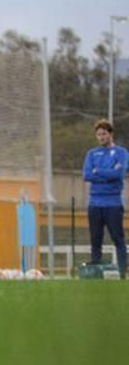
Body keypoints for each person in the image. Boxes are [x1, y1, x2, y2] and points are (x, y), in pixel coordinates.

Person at [82, 118, 128, 277]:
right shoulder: (92, 153)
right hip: (95, 203)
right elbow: (87, 175)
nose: (101, 137)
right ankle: (95, 269)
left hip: (113, 203)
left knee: (118, 239)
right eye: (98, 134)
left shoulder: (122, 153)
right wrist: (107, 172)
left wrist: (98, 171)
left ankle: (123, 272)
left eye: (103, 134)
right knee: (95, 239)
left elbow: (119, 174)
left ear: (110, 134)